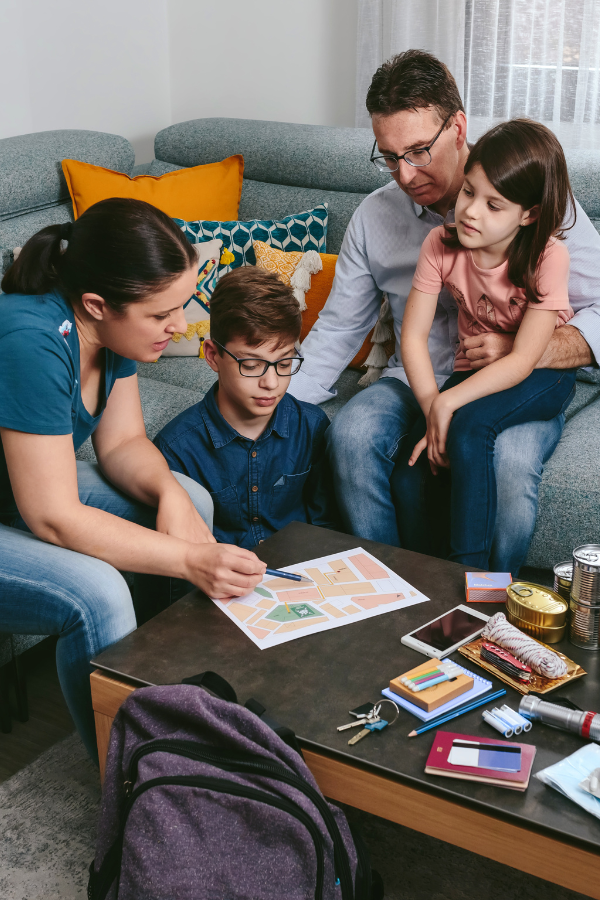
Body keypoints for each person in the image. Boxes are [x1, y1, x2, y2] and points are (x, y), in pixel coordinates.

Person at [288, 50, 600, 575]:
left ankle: (489, 604)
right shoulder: (380, 219)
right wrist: (273, 407)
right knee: (352, 435)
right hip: (416, 380)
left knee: (511, 461)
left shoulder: (536, 200)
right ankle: (393, 593)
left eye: (418, 151)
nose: (405, 175)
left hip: (514, 378)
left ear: (458, 127)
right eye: (389, 156)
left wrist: (532, 347)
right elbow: (339, 329)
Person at [0, 199, 266, 760]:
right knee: (96, 596)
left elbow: (121, 444)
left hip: (17, 492)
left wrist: (170, 493)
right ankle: (126, 783)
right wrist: (191, 560)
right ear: (97, 305)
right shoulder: (32, 340)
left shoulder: (109, 334)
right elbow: (53, 514)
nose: (181, 325)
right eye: (161, 314)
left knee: (189, 494)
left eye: (183, 304)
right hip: (28, 500)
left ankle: (177, 698)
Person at [397, 119, 576, 567]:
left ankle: (470, 582)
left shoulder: (547, 256)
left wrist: (449, 404)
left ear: (528, 214)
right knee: (415, 463)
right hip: (473, 369)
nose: (472, 211)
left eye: (494, 205)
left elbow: (520, 362)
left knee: (471, 430)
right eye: (469, 192)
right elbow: (413, 336)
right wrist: (431, 404)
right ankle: (427, 579)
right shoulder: (441, 243)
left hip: (541, 374)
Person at [154, 267, 337, 548]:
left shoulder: (312, 427)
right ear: (213, 356)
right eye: (251, 365)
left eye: (285, 364)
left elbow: (326, 527)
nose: (272, 382)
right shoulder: (175, 449)